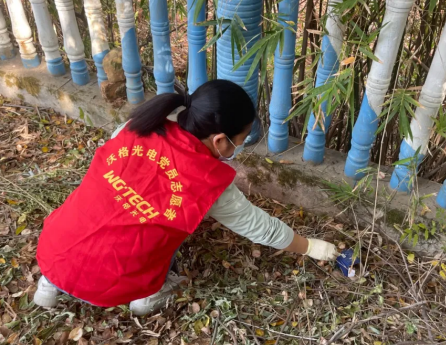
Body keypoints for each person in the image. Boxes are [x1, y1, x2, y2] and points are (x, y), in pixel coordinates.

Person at [34, 80, 347, 316]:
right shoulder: (209, 182)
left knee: (106, 204)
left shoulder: (135, 127)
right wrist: (311, 247)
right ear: (220, 140)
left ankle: (49, 285)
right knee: (171, 226)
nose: (238, 147)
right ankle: (147, 297)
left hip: (54, 248)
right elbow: (261, 228)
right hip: (110, 282)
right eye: (239, 141)